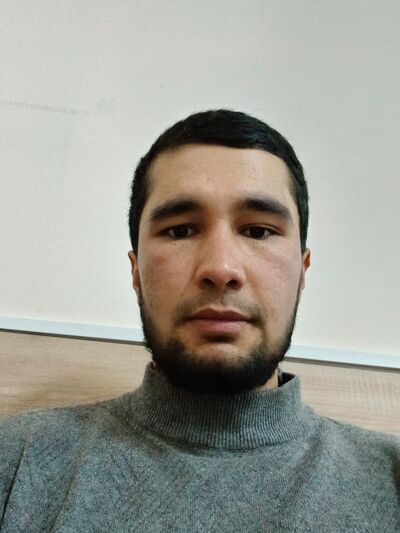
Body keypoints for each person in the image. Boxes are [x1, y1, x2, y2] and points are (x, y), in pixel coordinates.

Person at [0, 110, 399, 532]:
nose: (221, 268)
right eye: (180, 231)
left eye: (259, 231)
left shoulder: (389, 480)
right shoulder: (17, 463)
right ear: (136, 272)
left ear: (302, 270)